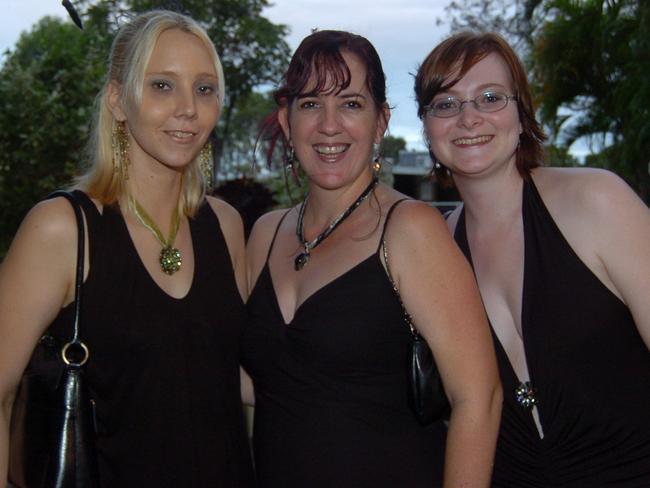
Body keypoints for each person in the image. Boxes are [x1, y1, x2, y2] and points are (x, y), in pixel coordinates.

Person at [0, 10, 255, 486]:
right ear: (118, 100)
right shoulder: (62, 229)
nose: (188, 108)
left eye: (204, 88)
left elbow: (221, 371)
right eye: (162, 85)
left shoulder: (226, 226)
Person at [241, 30, 501, 488]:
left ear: (381, 120)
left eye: (351, 103)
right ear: (287, 120)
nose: (329, 124)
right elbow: (264, 382)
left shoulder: (409, 229)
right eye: (310, 104)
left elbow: (479, 398)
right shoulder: (266, 233)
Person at [415, 31, 650, 487]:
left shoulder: (596, 201)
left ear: (522, 114)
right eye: (446, 104)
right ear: (427, 128)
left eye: (489, 97)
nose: (468, 118)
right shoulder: (436, 247)